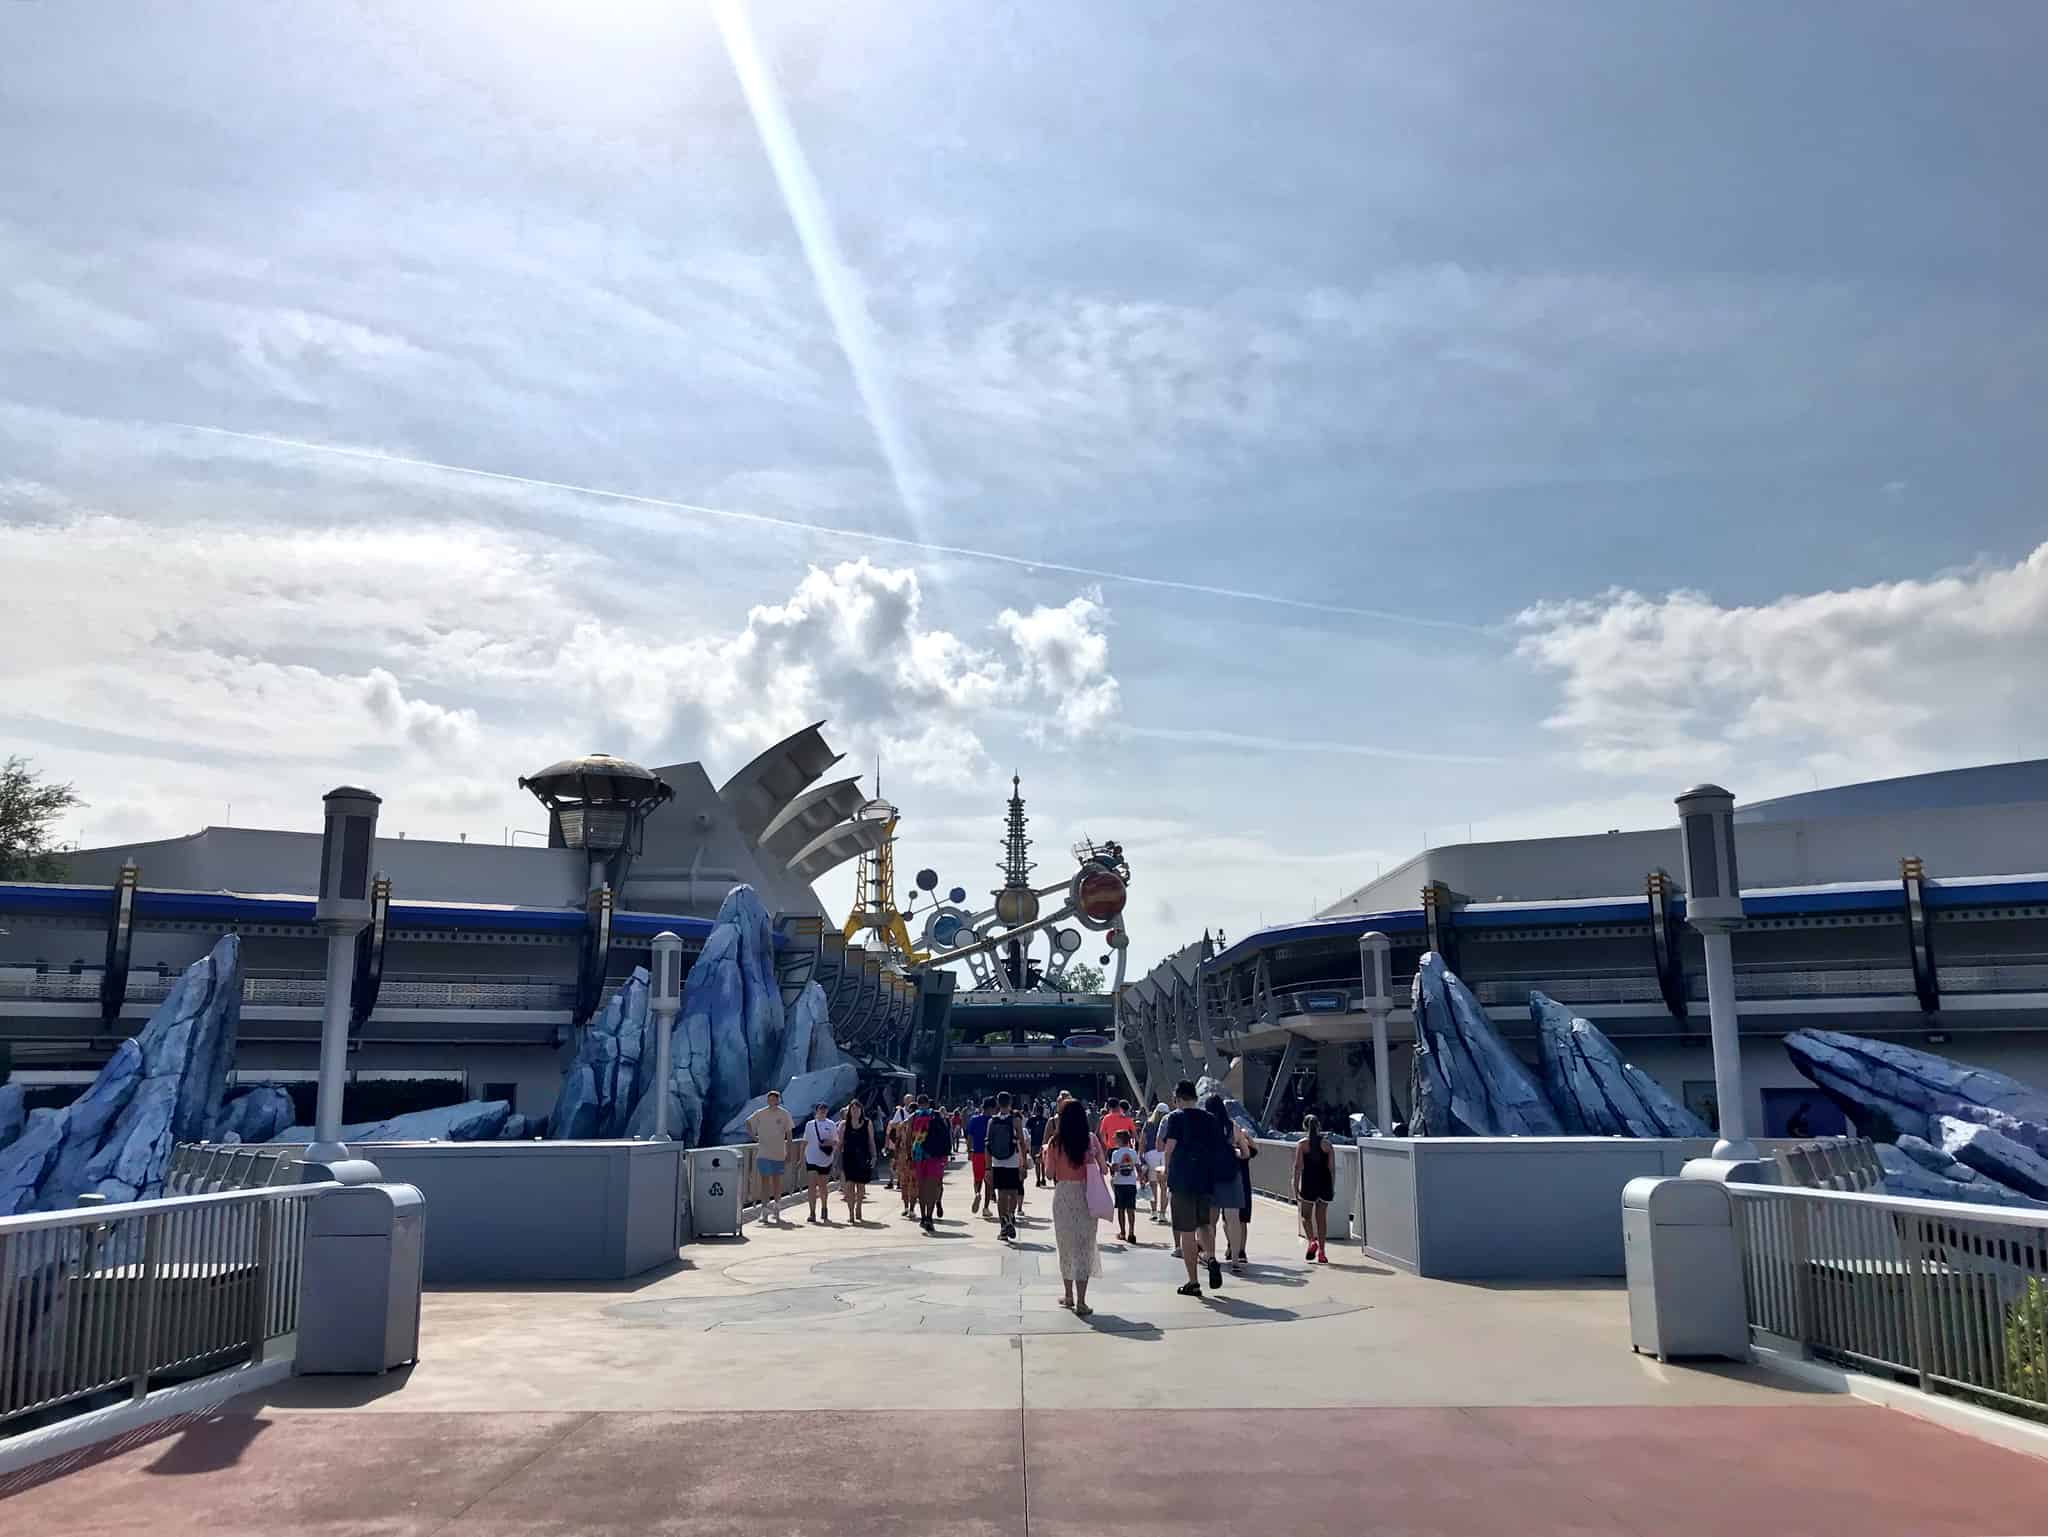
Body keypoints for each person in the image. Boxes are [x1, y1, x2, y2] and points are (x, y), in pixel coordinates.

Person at [1162, 1079, 1227, 1296]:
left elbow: (1169, 1147)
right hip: (1205, 1179)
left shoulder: (1175, 1117)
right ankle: (1211, 1257)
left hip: (1182, 1179)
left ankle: (1193, 1281)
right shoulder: (1210, 1119)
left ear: (1179, 1098)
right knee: (1205, 1224)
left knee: (1187, 1231)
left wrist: (1167, 1171)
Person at [1042, 1098, 1104, 1316]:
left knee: (1066, 1245)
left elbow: (1049, 1174)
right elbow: (1103, 1169)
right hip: (1086, 1194)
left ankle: (1068, 1295)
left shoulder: (1054, 1143)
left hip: (1064, 1195)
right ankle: (1082, 1301)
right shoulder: (1090, 1140)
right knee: (1084, 1246)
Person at [1205, 1094, 1256, 1273]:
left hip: (1210, 1177)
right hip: (1231, 1176)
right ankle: (1235, 1259)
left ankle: (1210, 1256)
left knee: (1210, 1220)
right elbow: (1246, 1153)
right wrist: (1234, 1153)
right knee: (1233, 1219)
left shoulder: (1204, 1126)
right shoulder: (1232, 1126)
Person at [745, 1090, 795, 1224]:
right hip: (764, 1153)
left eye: (775, 1099)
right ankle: (765, 1209)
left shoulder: (784, 1114)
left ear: (778, 1100)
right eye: (770, 1099)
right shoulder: (761, 1113)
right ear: (767, 1100)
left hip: (779, 1152)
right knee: (765, 1182)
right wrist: (754, 1137)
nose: (772, 1101)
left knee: (777, 1182)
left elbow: (789, 1135)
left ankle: (777, 1207)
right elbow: (748, 1122)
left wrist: (789, 1152)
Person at [985, 1090, 1027, 1240]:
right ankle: (1010, 1215)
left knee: (1001, 1193)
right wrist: (1023, 1163)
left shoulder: (992, 1121)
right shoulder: (1015, 1121)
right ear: (1010, 1103)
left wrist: (988, 1168)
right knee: (1013, 1192)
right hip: (1013, 1160)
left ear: (997, 1103)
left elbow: (988, 1145)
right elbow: (1021, 1142)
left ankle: (1003, 1226)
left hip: (997, 1161)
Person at [1294, 1113, 1334, 1262]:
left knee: (1305, 1216)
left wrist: (1294, 1185)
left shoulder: (1302, 1144)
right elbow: (1331, 1168)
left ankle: (1312, 1241)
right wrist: (1332, 1186)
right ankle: (1322, 1252)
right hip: (1324, 1183)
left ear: (1304, 1126)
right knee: (1321, 1219)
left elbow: (1298, 1167)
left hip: (1309, 1183)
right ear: (1319, 1126)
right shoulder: (1327, 1145)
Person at [908, 1094, 951, 1233]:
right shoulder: (937, 1115)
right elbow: (946, 1135)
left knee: (921, 1188)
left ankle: (923, 1216)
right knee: (932, 1188)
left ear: (918, 1103)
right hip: (934, 1156)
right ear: (929, 1103)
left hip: (919, 1156)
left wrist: (909, 1156)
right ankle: (929, 1217)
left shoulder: (914, 1116)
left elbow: (909, 1137)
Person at [799, 1100, 839, 1224]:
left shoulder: (831, 1124)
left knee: (822, 1186)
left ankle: (824, 1207)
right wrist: (801, 1158)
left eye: (824, 1109)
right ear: (816, 1111)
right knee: (811, 1186)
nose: (822, 1111)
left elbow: (836, 1141)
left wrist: (828, 1142)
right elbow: (805, 1141)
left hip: (825, 1158)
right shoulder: (809, 1125)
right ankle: (812, 1212)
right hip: (811, 1157)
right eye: (820, 1109)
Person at [839, 1099, 877, 1223]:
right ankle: (850, 1212)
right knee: (849, 1186)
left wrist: (874, 1156)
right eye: (853, 1109)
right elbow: (839, 1144)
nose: (855, 1111)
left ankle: (859, 1206)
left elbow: (871, 1141)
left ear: (861, 1110)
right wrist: (834, 1159)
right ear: (849, 1111)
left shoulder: (867, 1123)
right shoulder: (844, 1125)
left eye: (857, 1109)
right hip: (848, 1157)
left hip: (863, 1157)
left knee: (861, 1186)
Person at [1108, 1127, 1143, 1244]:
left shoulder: (1115, 1153)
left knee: (1121, 1209)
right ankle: (1131, 1232)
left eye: (1115, 1138)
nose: (1114, 1140)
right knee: (1131, 1209)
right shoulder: (1133, 1152)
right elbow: (1138, 1167)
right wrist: (1141, 1178)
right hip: (1131, 1183)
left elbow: (1114, 1168)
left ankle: (1122, 1232)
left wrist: (1111, 1167)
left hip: (1119, 1183)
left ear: (1119, 1140)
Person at [967, 1097, 995, 1219]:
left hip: (977, 1152)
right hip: (990, 1153)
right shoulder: (993, 1120)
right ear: (991, 1108)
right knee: (989, 1181)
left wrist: (969, 1150)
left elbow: (969, 1136)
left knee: (977, 1179)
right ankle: (986, 1207)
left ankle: (977, 1193)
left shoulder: (974, 1119)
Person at [1142, 1104, 1169, 1222]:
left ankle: (1153, 1212)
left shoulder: (1148, 1124)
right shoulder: (1169, 1123)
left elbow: (1142, 1140)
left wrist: (1140, 1155)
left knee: (1153, 1184)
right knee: (1164, 1186)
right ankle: (1162, 1214)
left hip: (1150, 1154)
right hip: (1165, 1153)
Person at [1024, 1101, 1049, 1187]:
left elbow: (1027, 1128)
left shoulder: (1032, 1119)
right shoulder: (1046, 1120)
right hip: (1043, 1143)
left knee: (1037, 1163)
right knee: (1043, 1162)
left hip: (1034, 1143)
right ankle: (1043, 1179)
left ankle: (1038, 1179)